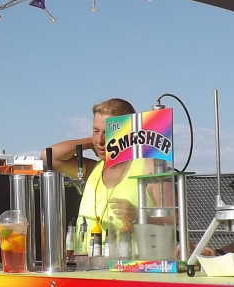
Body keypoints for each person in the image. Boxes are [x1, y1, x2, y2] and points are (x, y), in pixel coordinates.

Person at [47, 97, 159, 250]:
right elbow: (50, 156)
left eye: (108, 132)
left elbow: (174, 221)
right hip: (85, 263)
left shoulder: (150, 167)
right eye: (96, 130)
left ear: (128, 132)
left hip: (133, 263)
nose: (100, 140)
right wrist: (92, 141)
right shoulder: (94, 168)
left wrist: (139, 217)